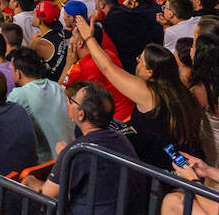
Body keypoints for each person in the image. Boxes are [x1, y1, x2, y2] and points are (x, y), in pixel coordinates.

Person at [71, 17, 203, 169]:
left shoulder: (150, 93)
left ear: (150, 72)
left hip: (161, 167)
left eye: (141, 60)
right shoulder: (179, 90)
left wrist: (88, 37)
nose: (137, 60)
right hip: (181, 160)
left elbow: (108, 68)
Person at [34, 83, 146, 214]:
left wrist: (32, 182)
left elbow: (47, 193)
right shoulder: (121, 140)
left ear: (81, 114)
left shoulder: (78, 150)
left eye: (73, 99)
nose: (69, 103)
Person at [8, 47, 75, 163]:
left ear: (18, 73)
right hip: (72, 155)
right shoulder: (55, 86)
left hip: (48, 166)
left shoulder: (19, 95)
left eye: (12, 70)